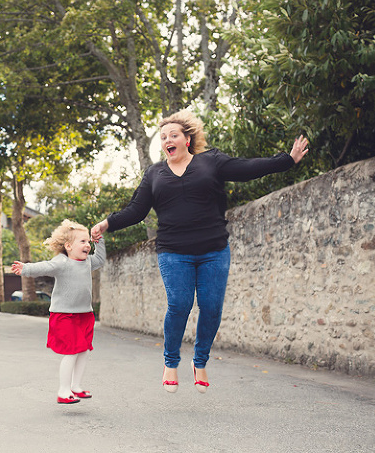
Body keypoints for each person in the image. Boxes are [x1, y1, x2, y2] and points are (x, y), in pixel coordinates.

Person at [91, 109, 308, 394]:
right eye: (163, 137)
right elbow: (136, 210)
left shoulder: (211, 162)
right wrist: (108, 222)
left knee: (212, 306)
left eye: (173, 135)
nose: (167, 140)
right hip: (173, 251)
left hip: (213, 249)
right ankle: (171, 363)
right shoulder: (154, 173)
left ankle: (200, 361)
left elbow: (248, 168)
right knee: (179, 304)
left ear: (187, 139)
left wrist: (287, 160)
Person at [12, 219, 106, 404]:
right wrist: (26, 268)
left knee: (84, 351)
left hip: (84, 314)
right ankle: (63, 391)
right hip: (64, 314)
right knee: (71, 352)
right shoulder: (61, 262)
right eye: (83, 241)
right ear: (68, 246)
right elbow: (45, 266)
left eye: (88, 241)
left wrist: (99, 241)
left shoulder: (88, 262)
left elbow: (101, 259)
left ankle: (76, 387)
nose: (87, 245)